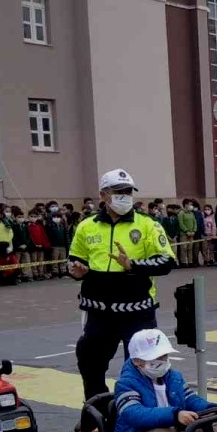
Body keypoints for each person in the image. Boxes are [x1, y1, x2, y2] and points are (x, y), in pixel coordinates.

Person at [69, 168, 177, 402]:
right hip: (98, 312)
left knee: (143, 367)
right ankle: (96, 411)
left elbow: (167, 261)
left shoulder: (148, 225)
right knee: (89, 363)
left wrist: (133, 265)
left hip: (137, 312)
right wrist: (78, 272)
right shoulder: (86, 226)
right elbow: (76, 260)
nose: (124, 196)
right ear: (103, 195)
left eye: (128, 191)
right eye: (118, 192)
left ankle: (142, 415)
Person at [113, 329, 217, 432]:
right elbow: (133, 414)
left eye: (164, 356)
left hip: (175, 428)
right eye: (156, 358)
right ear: (137, 361)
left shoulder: (174, 377)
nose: (162, 361)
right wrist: (175, 415)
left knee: (206, 430)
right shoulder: (126, 384)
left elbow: (189, 398)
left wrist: (209, 409)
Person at [27, 210, 51, 280]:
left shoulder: (39, 226)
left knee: (41, 261)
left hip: (41, 247)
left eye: (35, 216)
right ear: (28, 217)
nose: (33, 218)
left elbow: (43, 236)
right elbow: (29, 237)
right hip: (33, 247)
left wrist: (44, 245)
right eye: (31, 216)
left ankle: (41, 274)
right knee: (34, 261)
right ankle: (35, 274)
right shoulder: (28, 226)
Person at [46, 208, 69, 278]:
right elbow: (49, 235)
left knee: (63, 259)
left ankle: (63, 271)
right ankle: (55, 272)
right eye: (55, 217)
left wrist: (67, 244)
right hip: (54, 246)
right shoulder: (50, 226)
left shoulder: (63, 226)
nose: (56, 218)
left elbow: (66, 235)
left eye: (58, 217)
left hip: (62, 245)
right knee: (54, 260)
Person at [176, 201, 197, 269]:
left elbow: (195, 222)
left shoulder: (192, 213)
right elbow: (181, 224)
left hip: (191, 234)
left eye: (192, 205)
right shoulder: (181, 213)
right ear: (185, 205)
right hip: (184, 234)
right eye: (190, 204)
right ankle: (183, 262)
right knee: (183, 248)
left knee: (190, 248)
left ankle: (190, 262)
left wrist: (194, 231)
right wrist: (186, 231)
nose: (191, 206)